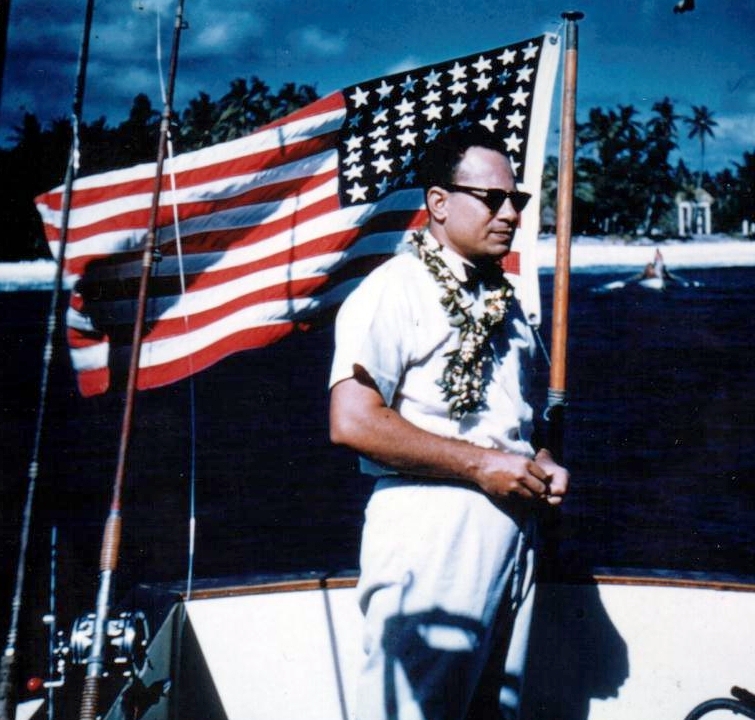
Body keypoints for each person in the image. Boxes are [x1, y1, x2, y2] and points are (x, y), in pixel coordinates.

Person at [329, 127, 569, 720]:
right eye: (492, 198)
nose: (510, 213)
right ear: (438, 203)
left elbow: (507, 423)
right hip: (432, 529)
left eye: (518, 200)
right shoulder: (394, 291)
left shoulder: (508, 304)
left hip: (513, 532)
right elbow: (353, 421)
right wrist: (484, 465)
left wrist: (539, 462)